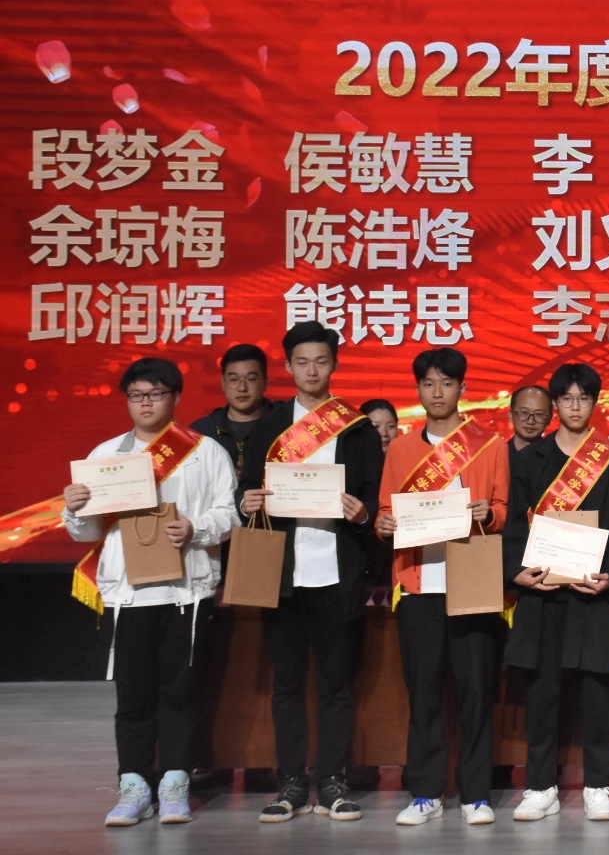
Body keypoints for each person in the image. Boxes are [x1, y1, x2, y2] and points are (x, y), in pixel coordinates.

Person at [61, 357, 236, 827]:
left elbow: (229, 515)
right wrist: (75, 509)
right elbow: (87, 532)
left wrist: (195, 527)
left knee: (180, 693)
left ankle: (175, 783)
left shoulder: (204, 452)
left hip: (186, 592)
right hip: (129, 594)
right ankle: (134, 785)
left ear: (175, 397)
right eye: (136, 395)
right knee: (133, 696)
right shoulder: (106, 456)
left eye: (155, 394)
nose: (145, 403)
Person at [237, 321, 384, 824]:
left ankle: (333, 780)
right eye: (302, 362)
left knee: (336, 683)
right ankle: (291, 781)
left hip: (337, 572)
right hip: (283, 573)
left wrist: (362, 513)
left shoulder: (356, 428)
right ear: (288, 366)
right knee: (287, 684)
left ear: (334, 364)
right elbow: (247, 488)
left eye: (321, 361)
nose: (312, 370)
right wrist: (246, 501)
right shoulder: (270, 425)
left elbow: (374, 494)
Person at [375, 348, 509, 827]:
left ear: (462, 389)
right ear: (418, 389)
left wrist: (489, 514)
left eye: (447, 383)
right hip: (419, 585)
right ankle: (426, 792)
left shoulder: (489, 444)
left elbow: (503, 510)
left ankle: (476, 794)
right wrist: (384, 525)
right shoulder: (401, 449)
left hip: (472, 581)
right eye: (428, 383)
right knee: (424, 693)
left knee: (476, 693)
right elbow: (385, 512)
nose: (437, 392)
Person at [503, 362, 609, 823]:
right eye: (567, 398)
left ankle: (598, 786)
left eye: (584, 398)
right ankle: (541, 787)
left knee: (598, 695)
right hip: (543, 593)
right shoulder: (529, 460)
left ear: (595, 403)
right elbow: (514, 525)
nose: (575, 406)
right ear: (555, 404)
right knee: (542, 695)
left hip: (591, 593)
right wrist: (516, 572)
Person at [190, 342, 275, 480]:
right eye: (234, 379)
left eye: (251, 379)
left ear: (265, 382)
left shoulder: (285, 424)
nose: (242, 388)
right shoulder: (201, 432)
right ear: (223, 384)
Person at [508, 385, 553, 455]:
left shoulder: (559, 459)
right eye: (524, 413)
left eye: (539, 414)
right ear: (511, 415)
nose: (530, 421)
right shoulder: (495, 454)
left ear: (549, 419)